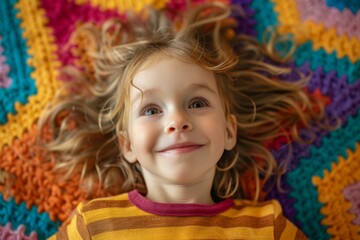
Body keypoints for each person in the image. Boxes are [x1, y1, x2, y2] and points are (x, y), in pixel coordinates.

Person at [40, 2, 327, 239]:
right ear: (127, 144)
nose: (177, 120)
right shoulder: (93, 224)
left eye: (197, 103)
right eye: (151, 110)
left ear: (228, 131)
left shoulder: (267, 228)